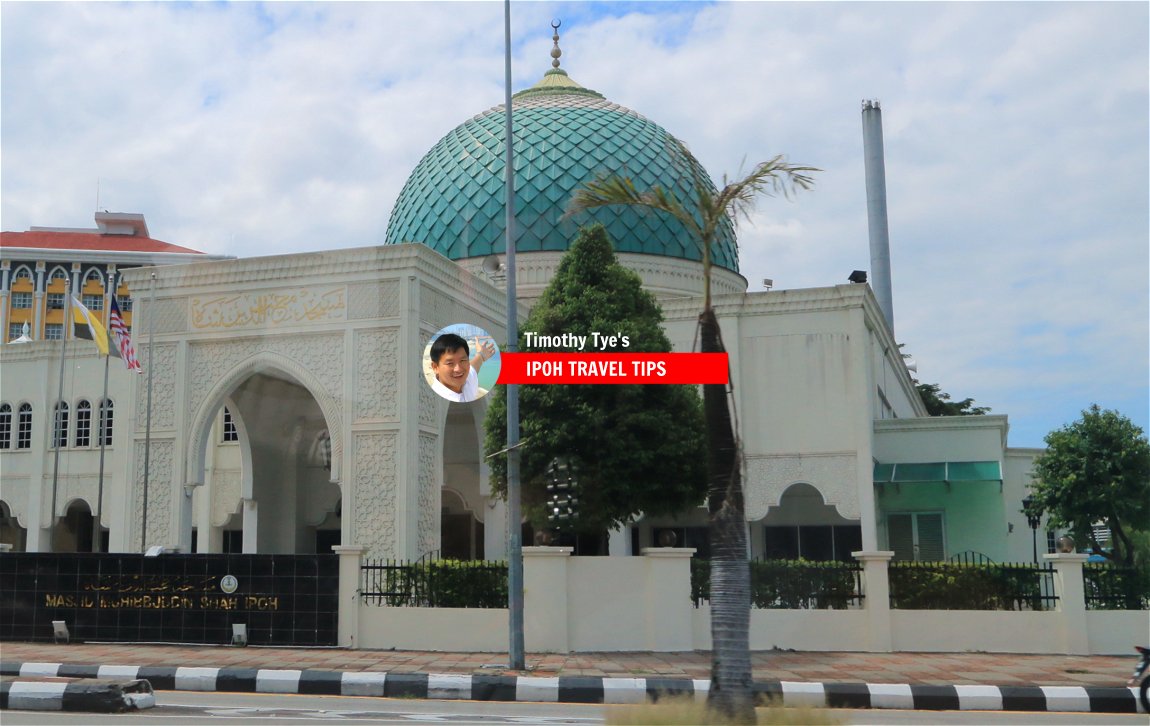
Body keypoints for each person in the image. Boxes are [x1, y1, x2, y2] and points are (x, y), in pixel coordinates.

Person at [428, 332, 495, 403]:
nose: (458, 369)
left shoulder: (467, 380)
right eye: (450, 363)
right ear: (435, 367)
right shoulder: (436, 400)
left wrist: (481, 354)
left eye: (462, 360)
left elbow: (474, 367)